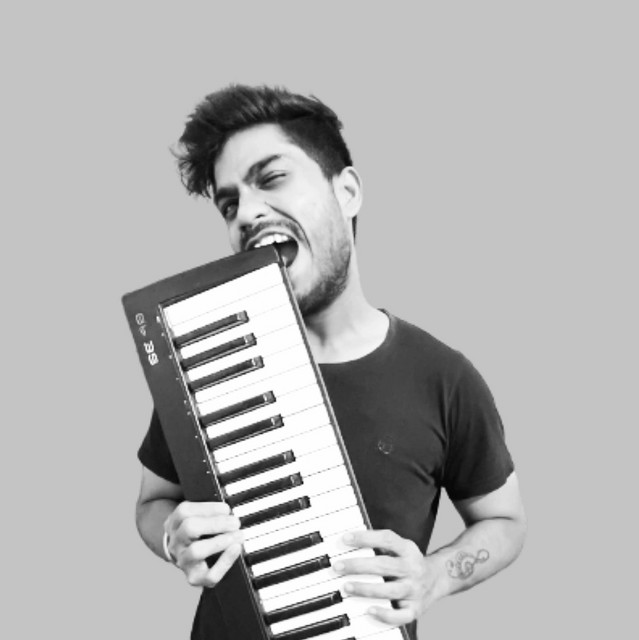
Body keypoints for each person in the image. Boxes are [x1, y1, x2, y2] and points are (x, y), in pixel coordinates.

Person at [135, 84, 527, 640]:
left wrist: (436, 575)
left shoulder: (444, 378)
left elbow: (505, 521)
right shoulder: (203, 362)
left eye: (272, 178)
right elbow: (153, 502)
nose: (246, 214)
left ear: (347, 192)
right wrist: (173, 540)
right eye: (229, 205)